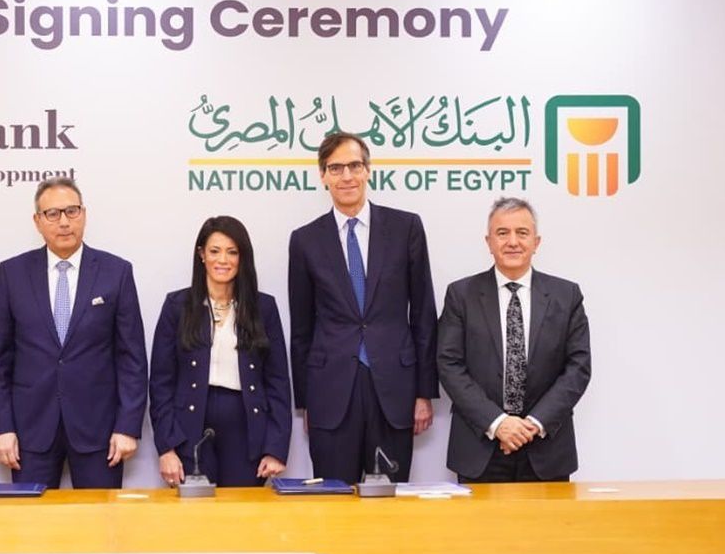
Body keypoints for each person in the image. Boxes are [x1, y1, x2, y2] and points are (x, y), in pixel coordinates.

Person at [288, 132, 437, 483]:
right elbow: (301, 328)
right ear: (323, 176)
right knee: (334, 500)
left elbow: (423, 314)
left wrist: (424, 392)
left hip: (394, 389)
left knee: (389, 500)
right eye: (335, 168)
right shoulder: (305, 240)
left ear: (368, 170)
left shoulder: (406, 228)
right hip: (331, 393)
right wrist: (307, 402)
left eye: (355, 166)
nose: (347, 176)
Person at [0, 177, 148, 489]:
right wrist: (1, 427)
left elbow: (132, 358)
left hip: (100, 431)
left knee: (100, 518)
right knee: (32, 518)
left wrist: (128, 426)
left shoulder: (116, 272)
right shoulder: (12, 273)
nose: (63, 222)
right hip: (30, 431)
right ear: (37, 221)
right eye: (52, 214)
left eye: (72, 211)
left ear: (84, 214)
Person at [437, 197, 591, 482]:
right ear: (488, 241)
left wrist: (533, 424)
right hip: (479, 445)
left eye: (522, 233)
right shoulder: (461, 295)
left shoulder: (566, 295)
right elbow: (449, 365)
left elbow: (578, 368)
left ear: (536, 242)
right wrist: (498, 423)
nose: (512, 242)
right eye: (502, 233)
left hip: (546, 446)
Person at [149, 216, 291, 487]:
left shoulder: (264, 308)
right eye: (214, 251)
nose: (223, 260)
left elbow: (278, 383)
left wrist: (275, 448)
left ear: (242, 257)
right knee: (195, 511)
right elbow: (161, 383)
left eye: (232, 252)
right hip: (189, 427)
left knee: (241, 510)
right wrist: (166, 447)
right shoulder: (177, 306)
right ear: (201, 254)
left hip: (246, 428)